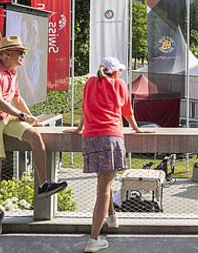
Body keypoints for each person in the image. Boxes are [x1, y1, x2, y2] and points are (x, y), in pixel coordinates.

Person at [0, 36, 68, 237]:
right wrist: (22, 115)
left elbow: (16, 98)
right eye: (20, 52)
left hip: (6, 118)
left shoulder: (12, 73)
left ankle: (44, 185)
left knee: (35, 136)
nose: (23, 55)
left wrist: (31, 118)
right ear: (7, 53)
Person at [65, 57, 153, 252]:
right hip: (111, 138)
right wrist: (136, 128)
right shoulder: (119, 84)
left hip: (90, 138)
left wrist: (79, 129)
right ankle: (94, 239)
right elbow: (127, 110)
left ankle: (112, 218)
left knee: (103, 182)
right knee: (104, 188)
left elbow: (85, 109)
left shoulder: (89, 82)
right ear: (115, 72)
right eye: (119, 70)